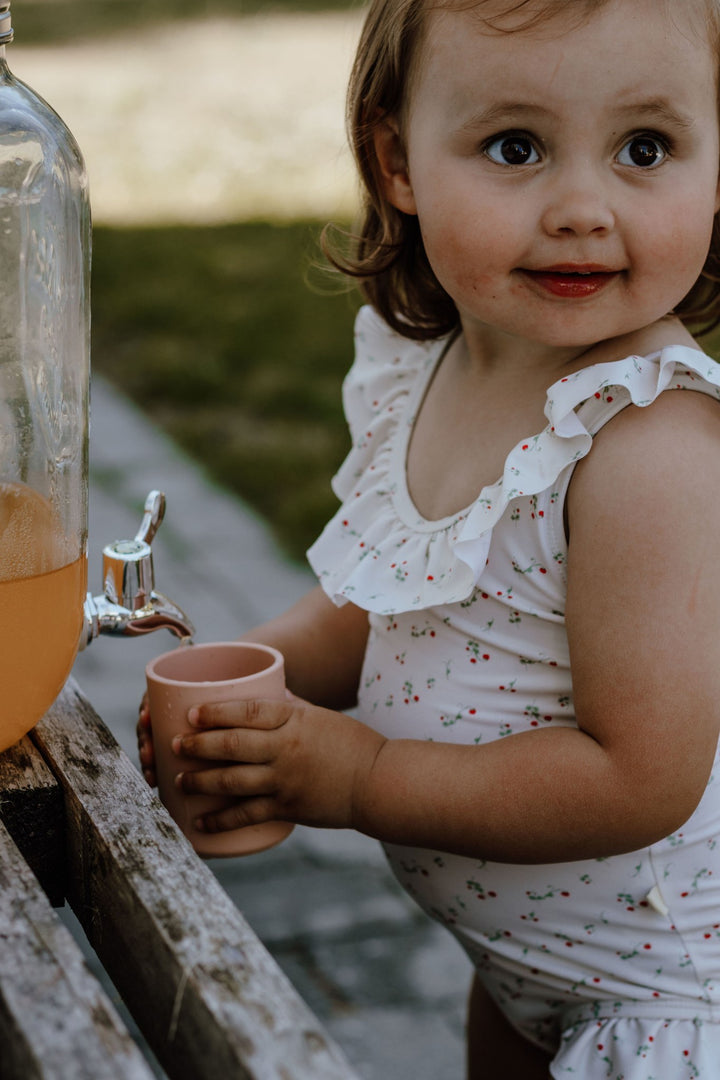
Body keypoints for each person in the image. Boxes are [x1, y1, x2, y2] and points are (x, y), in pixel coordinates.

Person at [138, 0, 720, 1075]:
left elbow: (642, 778)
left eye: (646, 148)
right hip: (522, 972)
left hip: (666, 1001)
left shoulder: (648, 442)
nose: (583, 207)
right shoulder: (436, 366)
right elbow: (383, 598)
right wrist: (255, 680)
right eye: (516, 146)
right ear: (397, 161)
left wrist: (361, 779)